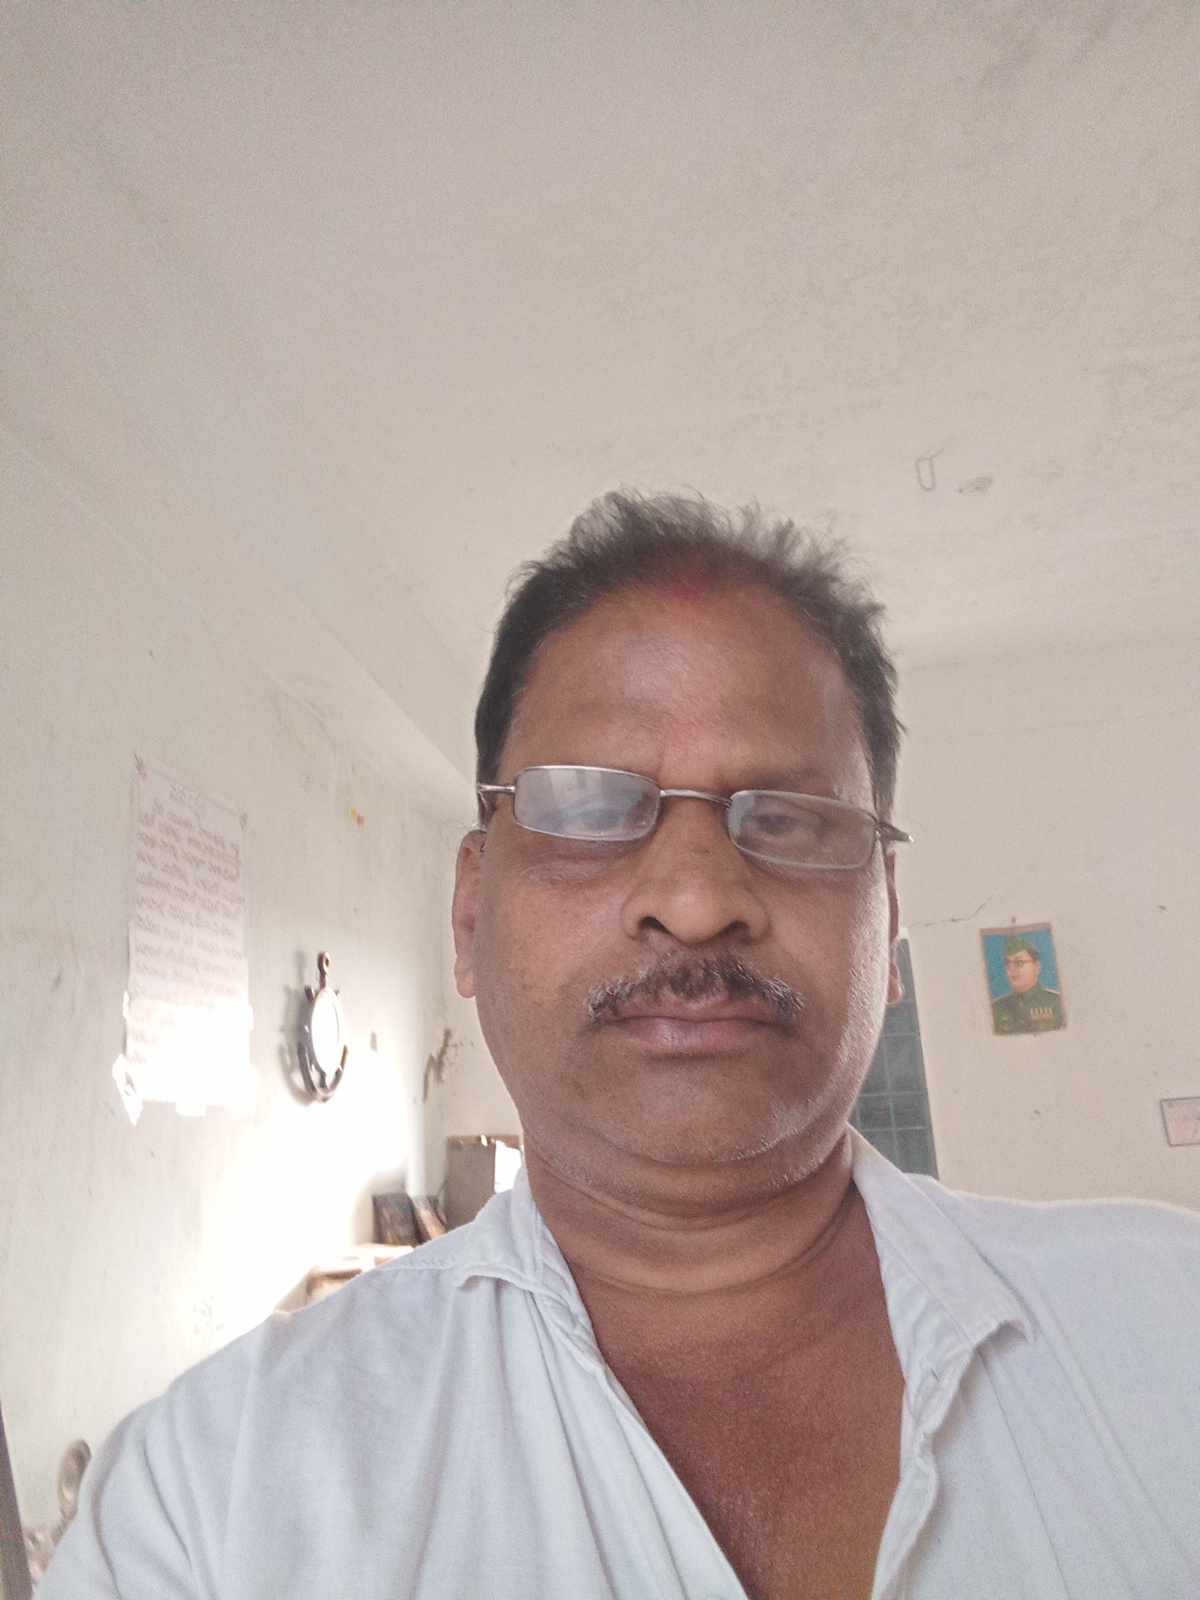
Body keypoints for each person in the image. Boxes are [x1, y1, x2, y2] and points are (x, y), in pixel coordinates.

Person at [44, 493, 1200, 1599]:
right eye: (589, 808)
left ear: (887, 923)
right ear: (470, 914)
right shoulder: (209, 1505)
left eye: (788, 819)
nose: (695, 901)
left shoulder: (1168, 1329)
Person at [991, 934, 1065, 1033]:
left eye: (1019, 962)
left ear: (1037, 967)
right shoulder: (996, 1008)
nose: (1011, 969)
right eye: (1008, 963)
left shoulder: (1058, 1002)